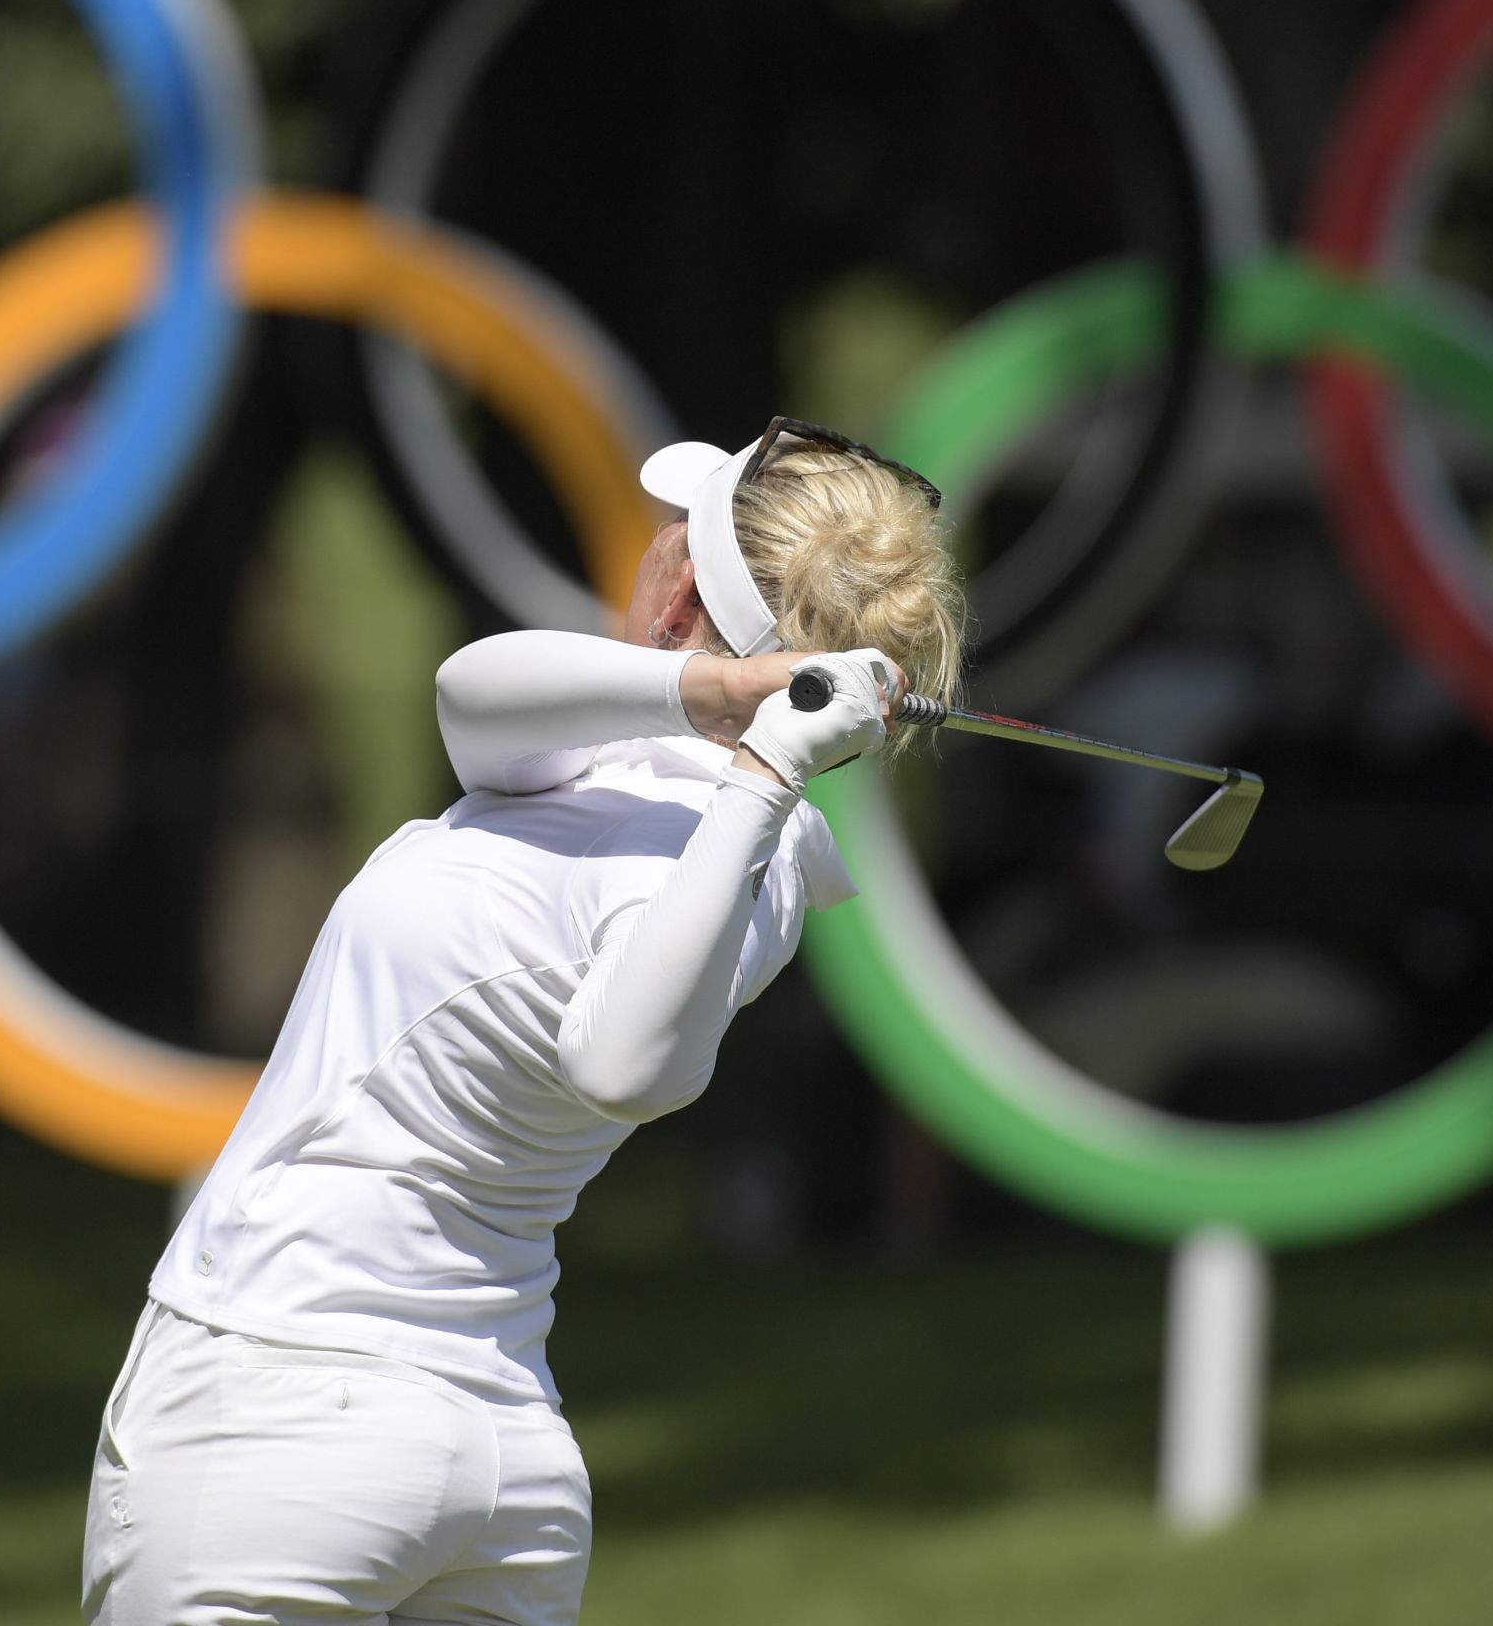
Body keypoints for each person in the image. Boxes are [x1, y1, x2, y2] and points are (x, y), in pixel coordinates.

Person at [81, 418, 965, 1625]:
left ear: (676, 595)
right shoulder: (615, 768)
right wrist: (721, 694)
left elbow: (624, 1065)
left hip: (274, 1410)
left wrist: (762, 772)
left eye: (666, 540)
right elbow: (470, 692)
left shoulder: (736, 858)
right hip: (495, 1455)